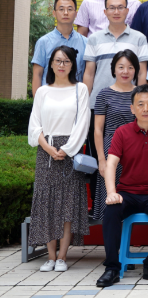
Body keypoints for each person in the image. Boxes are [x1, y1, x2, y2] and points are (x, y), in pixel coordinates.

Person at [96, 85, 148, 288]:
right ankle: (112, 268)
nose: (146, 108)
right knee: (111, 211)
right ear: (132, 108)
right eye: (140, 104)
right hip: (128, 192)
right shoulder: (122, 132)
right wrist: (111, 193)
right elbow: (111, 164)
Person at [27, 46, 90, 273]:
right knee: (47, 203)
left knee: (67, 205)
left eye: (66, 61)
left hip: (70, 152)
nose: (61, 65)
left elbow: (83, 122)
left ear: (73, 65)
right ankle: (50, 256)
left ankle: (63, 256)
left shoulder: (80, 89)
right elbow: (34, 125)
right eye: (57, 61)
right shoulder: (43, 91)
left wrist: (67, 149)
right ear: (51, 64)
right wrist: (48, 148)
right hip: (46, 151)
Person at [83, 0, 148, 118]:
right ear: (105, 12)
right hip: (98, 104)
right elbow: (89, 73)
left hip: (129, 104)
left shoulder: (139, 38)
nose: (116, 12)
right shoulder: (94, 38)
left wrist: (140, 101)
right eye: (112, 8)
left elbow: (141, 73)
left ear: (127, 11)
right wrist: (85, 101)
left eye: (120, 7)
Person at [92, 50, 140, 222]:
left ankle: (129, 235)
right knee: (111, 195)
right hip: (111, 149)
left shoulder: (140, 94)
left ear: (136, 70)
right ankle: (112, 237)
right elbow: (98, 129)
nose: (125, 71)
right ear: (113, 69)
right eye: (121, 67)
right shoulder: (104, 94)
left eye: (130, 67)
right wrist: (101, 159)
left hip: (136, 150)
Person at [31, 0, 87, 97]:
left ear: (76, 14)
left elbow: (88, 74)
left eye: (69, 9)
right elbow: (37, 74)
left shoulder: (85, 43)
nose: (65, 13)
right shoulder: (43, 42)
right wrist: (37, 102)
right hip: (49, 99)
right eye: (61, 9)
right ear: (54, 13)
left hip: (75, 99)